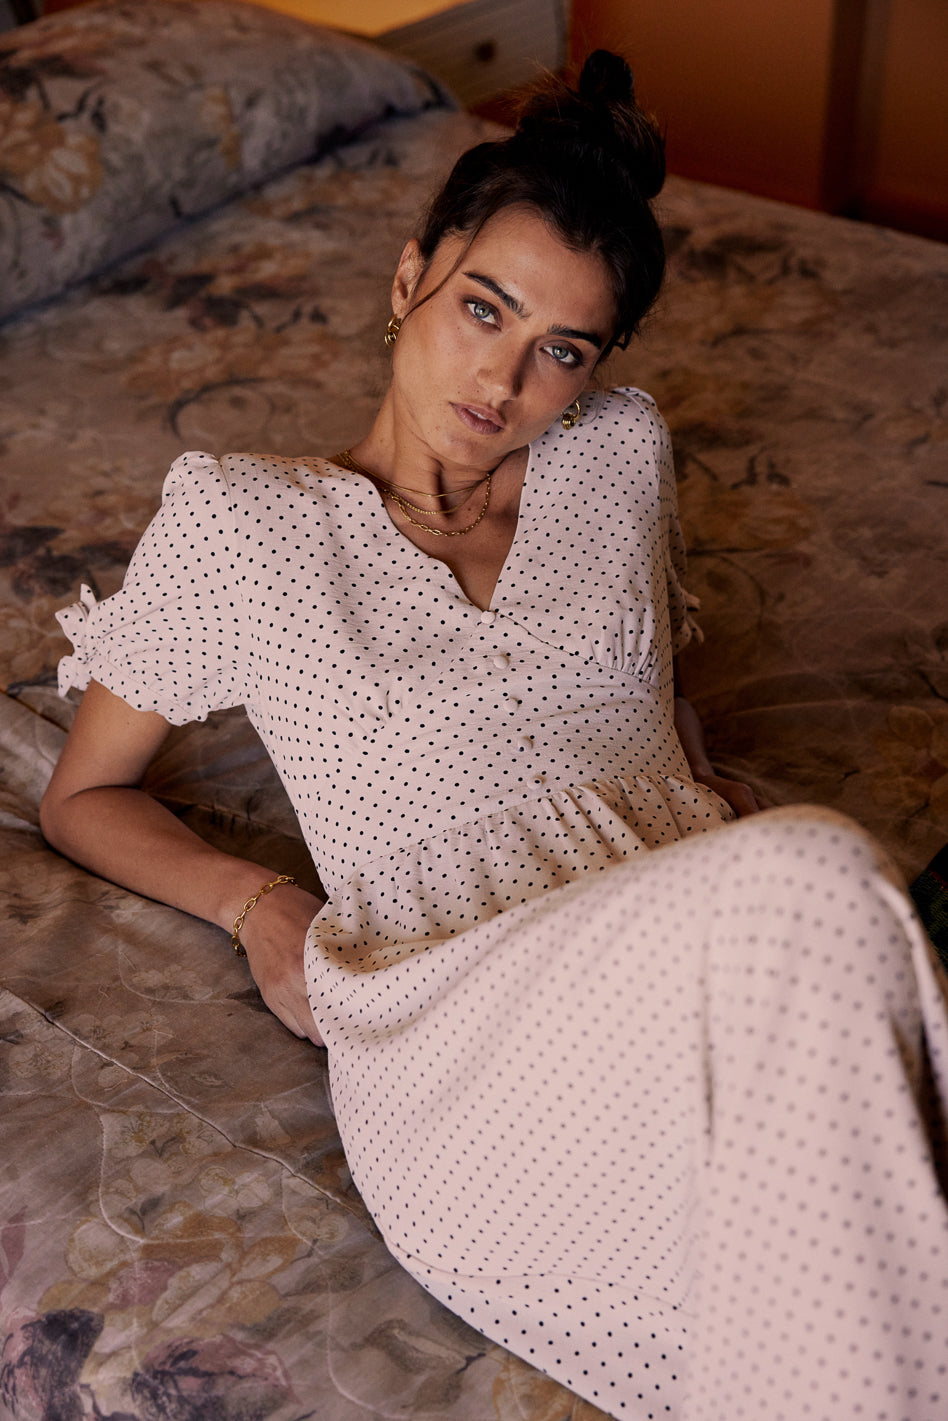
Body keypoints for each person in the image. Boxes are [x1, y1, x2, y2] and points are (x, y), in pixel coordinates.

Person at [40, 51, 948, 1421]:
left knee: (845, 1160)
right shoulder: (245, 526)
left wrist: (689, 799)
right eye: (484, 307)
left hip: (673, 956)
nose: (504, 377)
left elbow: (634, 688)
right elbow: (80, 797)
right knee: (823, 873)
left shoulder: (618, 455)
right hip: (458, 1031)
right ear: (411, 276)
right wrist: (260, 906)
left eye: (561, 349)